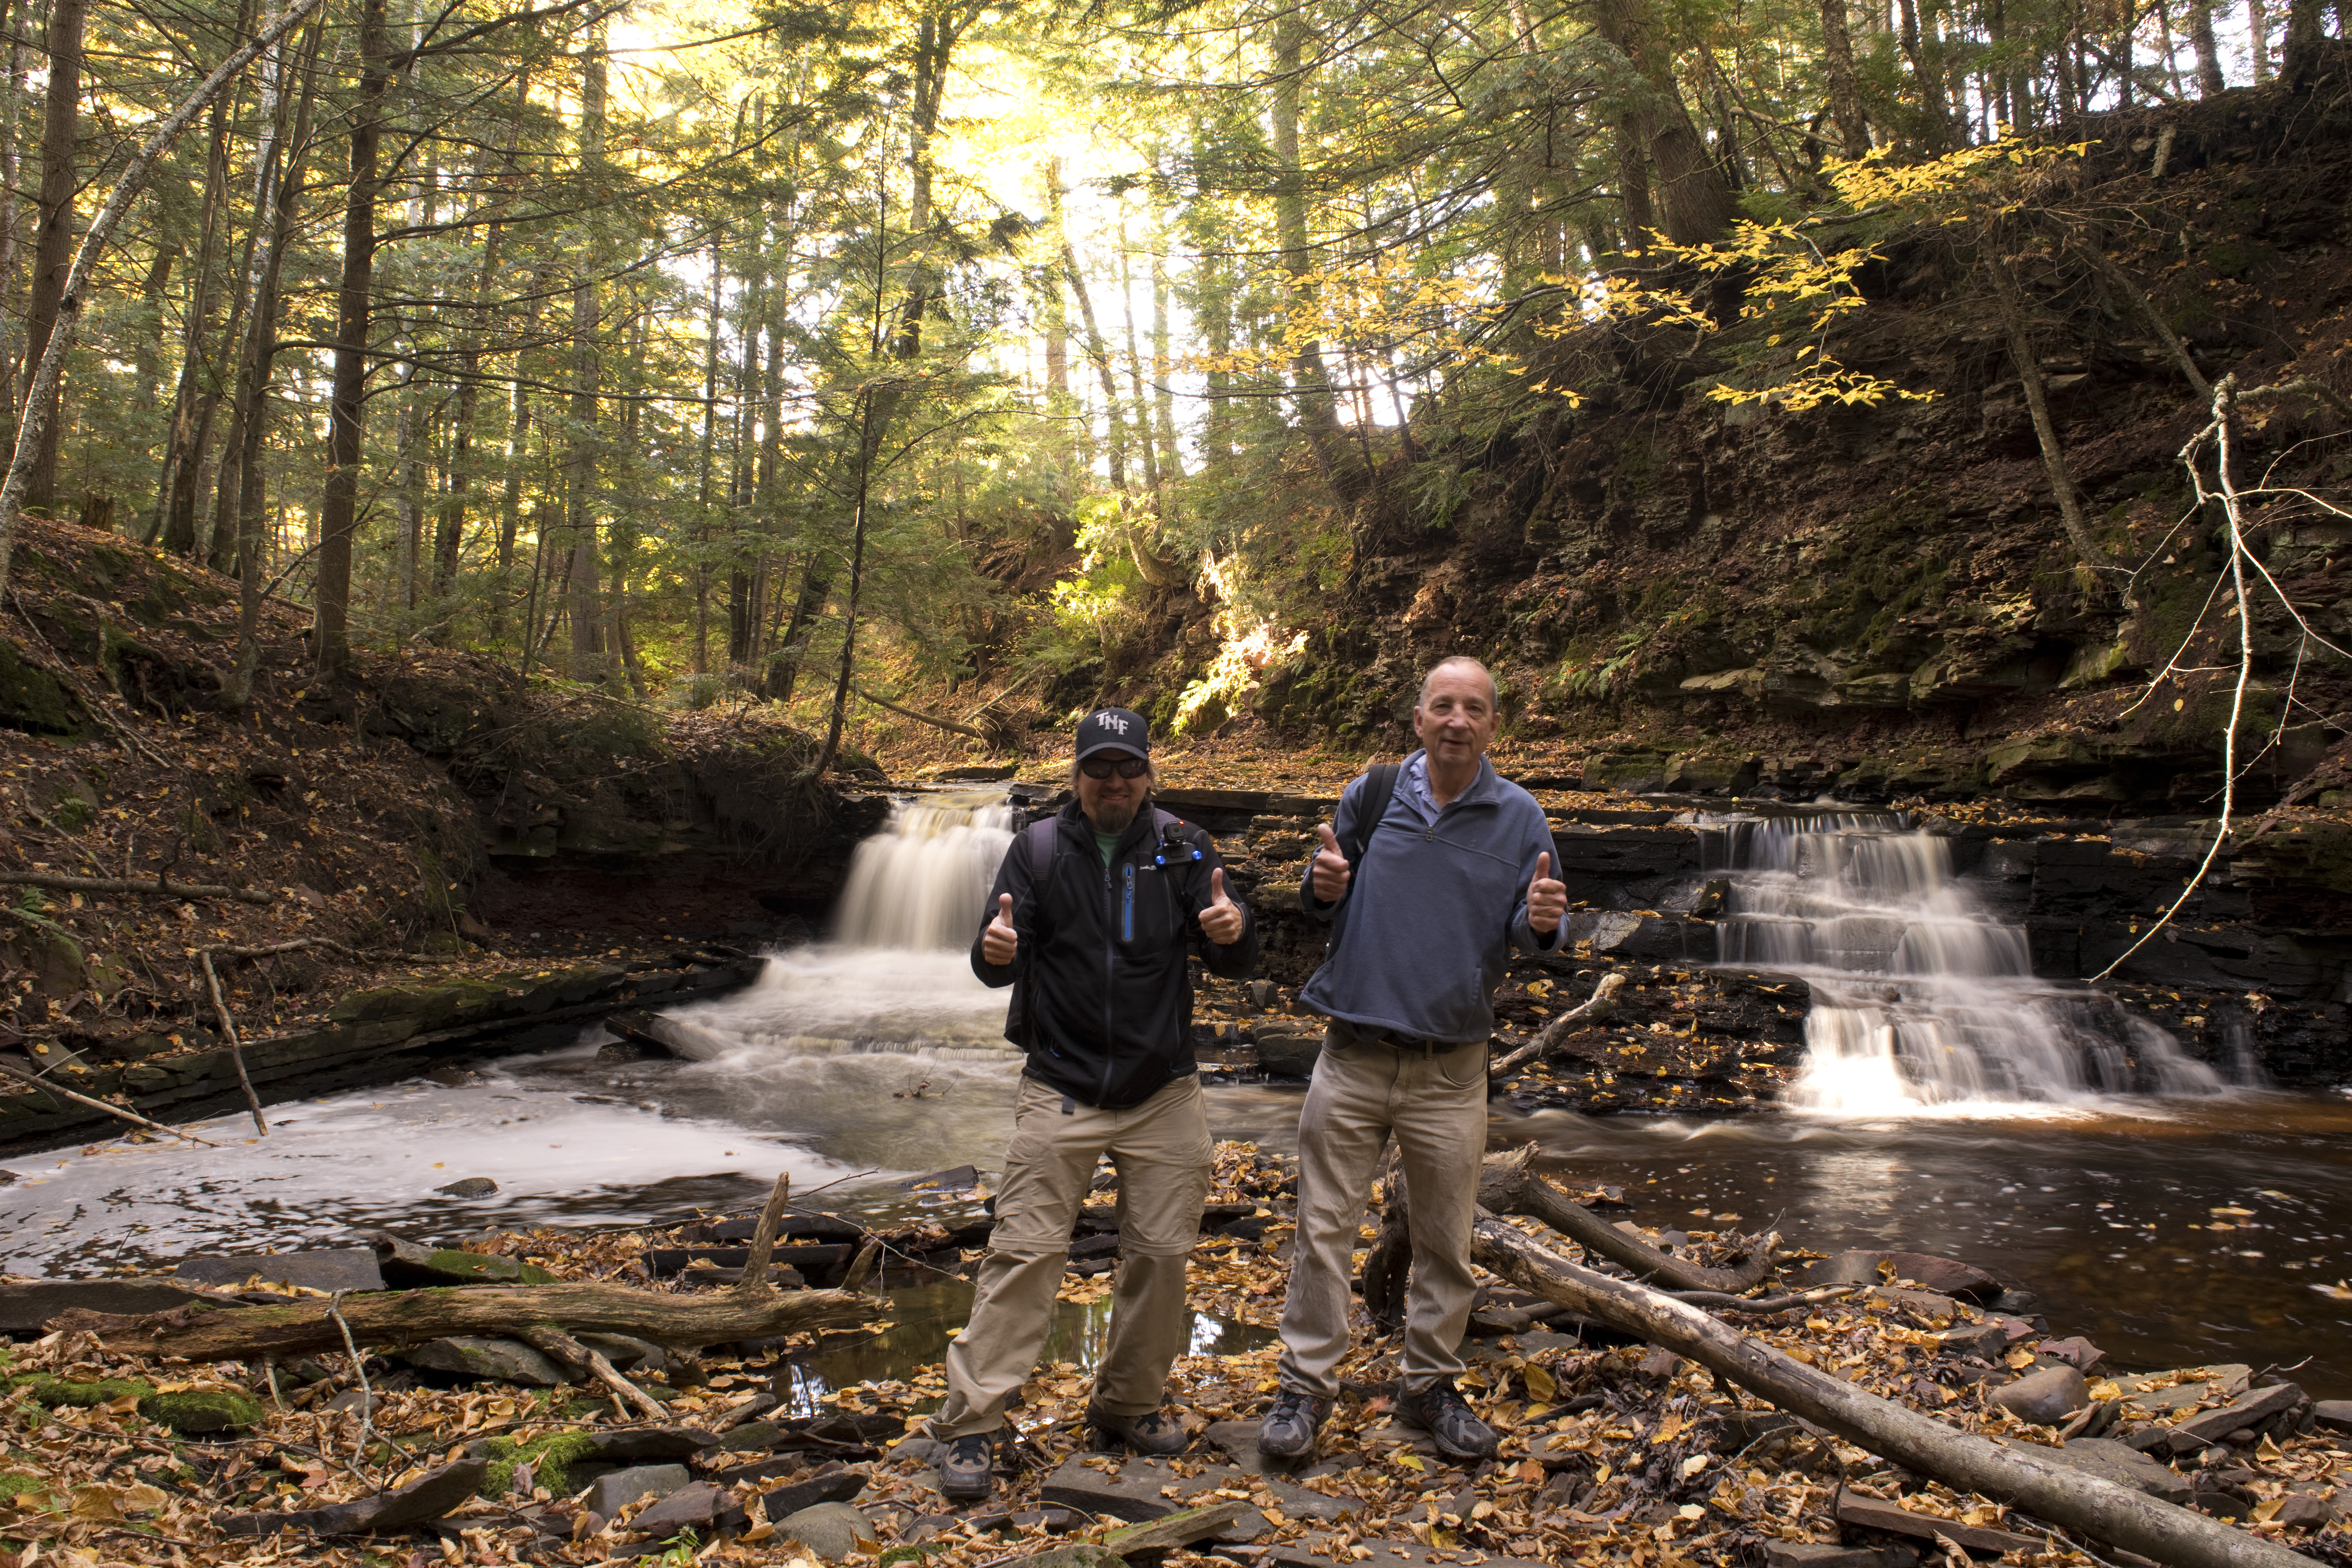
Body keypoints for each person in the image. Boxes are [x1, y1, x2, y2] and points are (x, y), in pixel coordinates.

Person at [928, 707, 1259, 1501]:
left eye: (1127, 767)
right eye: (1098, 768)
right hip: (1062, 1086)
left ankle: (1128, 1402)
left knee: (1161, 1251)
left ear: (1149, 774)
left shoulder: (1186, 847)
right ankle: (972, 1422)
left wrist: (1231, 926)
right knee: (1027, 1249)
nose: (1113, 782)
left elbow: (1237, 952)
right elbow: (991, 960)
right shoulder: (1037, 849)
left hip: (1162, 1088)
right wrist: (993, 950)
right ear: (1075, 777)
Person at [1257, 656, 1567, 1465]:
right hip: (1353, 1053)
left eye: (1474, 707)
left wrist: (1541, 923)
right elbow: (1321, 892)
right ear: (1420, 718)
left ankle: (1429, 1383)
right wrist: (1321, 883)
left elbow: (1538, 932)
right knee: (1322, 1225)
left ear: (1494, 725)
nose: (1457, 719)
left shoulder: (1521, 818)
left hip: (1450, 1065)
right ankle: (1304, 1386)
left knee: (1444, 1236)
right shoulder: (1373, 793)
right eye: (1443, 705)